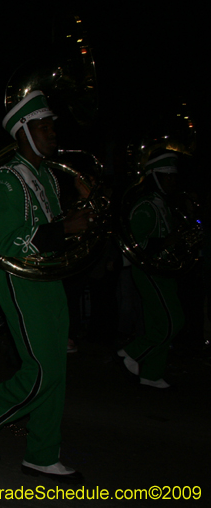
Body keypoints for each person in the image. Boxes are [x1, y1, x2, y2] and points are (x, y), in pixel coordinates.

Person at [0, 90, 92, 483]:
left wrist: (85, 210)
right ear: (23, 131)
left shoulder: (47, 176)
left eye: (52, 126)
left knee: (56, 371)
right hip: (21, 281)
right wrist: (64, 229)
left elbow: (55, 230)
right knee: (41, 370)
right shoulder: (6, 178)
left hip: (49, 279)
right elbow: (7, 243)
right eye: (43, 127)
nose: (52, 133)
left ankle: (42, 454)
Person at [117, 150, 185, 388]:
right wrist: (168, 242)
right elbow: (136, 244)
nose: (172, 181)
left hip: (163, 270)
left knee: (159, 323)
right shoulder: (146, 206)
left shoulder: (162, 204)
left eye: (174, 176)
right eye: (167, 176)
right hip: (150, 271)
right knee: (171, 322)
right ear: (155, 177)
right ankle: (131, 353)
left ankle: (151, 373)